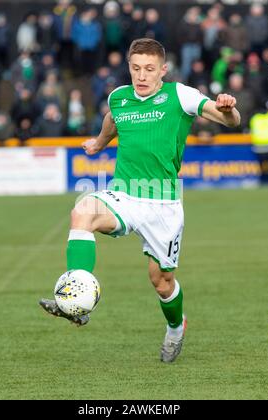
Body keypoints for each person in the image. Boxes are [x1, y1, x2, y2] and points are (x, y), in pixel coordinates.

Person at [40, 38, 240, 363]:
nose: (141, 75)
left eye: (149, 69)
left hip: (164, 205)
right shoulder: (119, 97)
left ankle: (176, 327)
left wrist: (229, 110)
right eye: (135, 68)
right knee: (83, 211)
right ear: (129, 68)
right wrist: (100, 143)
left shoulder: (180, 95)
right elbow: (112, 119)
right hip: (125, 195)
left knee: (161, 283)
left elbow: (229, 120)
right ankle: (77, 297)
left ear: (163, 69)